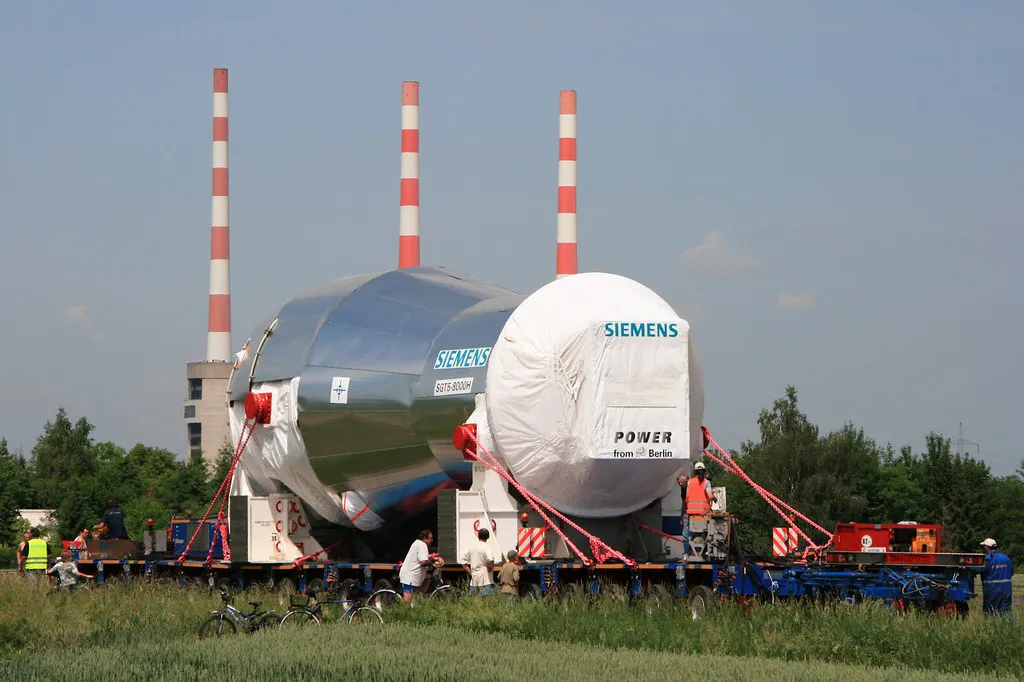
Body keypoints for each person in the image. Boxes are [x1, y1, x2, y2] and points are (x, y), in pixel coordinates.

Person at [679, 461, 717, 558]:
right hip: (703, 514)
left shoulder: (690, 482)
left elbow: (687, 498)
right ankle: (707, 553)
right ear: (704, 472)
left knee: (686, 535)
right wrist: (714, 498)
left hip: (690, 513)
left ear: (695, 472)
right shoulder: (706, 482)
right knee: (710, 533)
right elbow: (709, 496)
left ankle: (686, 555)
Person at [978, 538, 1014, 618]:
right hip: (1006, 590)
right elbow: (1011, 572)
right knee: (1006, 611)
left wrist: (966, 567)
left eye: (984, 546)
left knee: (990, 613)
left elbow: (979, 569)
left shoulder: (987, 559)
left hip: (992, 590)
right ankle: (1011, 629)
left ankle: (991, 629)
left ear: (987, 547)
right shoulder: (1006, 558)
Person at [398, 530, 436, 604]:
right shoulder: (422, 545)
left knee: (428, 578)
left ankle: (419, 600)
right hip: (410, 575)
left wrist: (433, 559)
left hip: (412, 574)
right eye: (430, 538)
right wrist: (432, 564)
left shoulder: (417, 543)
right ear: (425, 538)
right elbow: (424, 562)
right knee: (407, 602)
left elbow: (423, 558)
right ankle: (405, 614)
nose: (432, 540)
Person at [462, 528, 495, 597]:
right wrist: (490, 568)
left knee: (474, 600)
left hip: (474, 578)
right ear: (487, 537)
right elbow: (490, 560)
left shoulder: (472, 547)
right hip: (485, 579)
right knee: (486, 601)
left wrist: (470, 572)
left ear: (478, 536)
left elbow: (464, 563)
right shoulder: (486, 547)